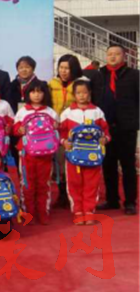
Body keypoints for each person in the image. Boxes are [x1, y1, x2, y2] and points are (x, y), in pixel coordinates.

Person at [60, 80, 110, 225]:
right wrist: (64, 142)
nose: (82, 95)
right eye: (78, 93)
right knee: (74, 183)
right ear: (74, 94)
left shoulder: (97, 112)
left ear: (90, 94)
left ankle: (89, 211)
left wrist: (104, 139)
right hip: (73, 156)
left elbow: (105, 131)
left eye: (85, 92)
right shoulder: (67, 113)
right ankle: (77, 211)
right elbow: (60, 132)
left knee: (92, 183)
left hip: (93, 156)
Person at [98, 45, 139, 215]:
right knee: (108, 166)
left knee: (128, 166)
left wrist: (135, 121)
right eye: (110, 54)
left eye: (116, 54)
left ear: (124, 56)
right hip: (106, 129)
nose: (113, 57)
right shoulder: (100, 75)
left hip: (126, 128)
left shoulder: (134, 75)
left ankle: (130, 202)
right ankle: (112, 200)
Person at [13, 80, 58, 225]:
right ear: (27, 94)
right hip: (27, 154)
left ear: (45, 93)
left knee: (44, 184)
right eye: (33, 92)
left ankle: (43, 212)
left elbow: (57, 130)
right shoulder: (22, 111)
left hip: (46, 154)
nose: (36, 95)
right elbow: (15, 130)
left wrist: (56, 126)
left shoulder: (50, 112)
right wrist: (19, 130)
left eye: (40, 91)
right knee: (27, 184)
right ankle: (29, 213)